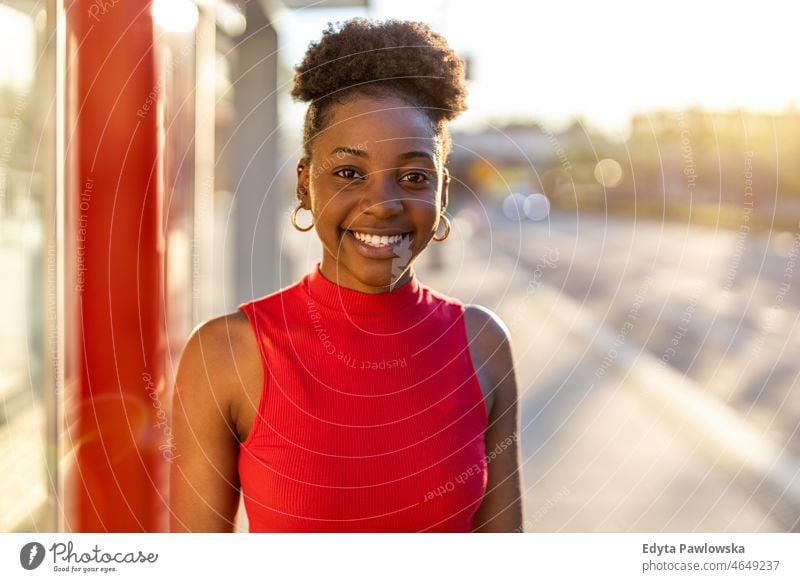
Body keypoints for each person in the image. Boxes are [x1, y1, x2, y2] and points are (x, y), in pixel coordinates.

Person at [170, 18, 522, 533]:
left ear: (442, 193)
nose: (383, 205)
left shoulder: (483, 343)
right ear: (304, 185)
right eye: (349, 173)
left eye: (414, 176)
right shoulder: (223, 355)